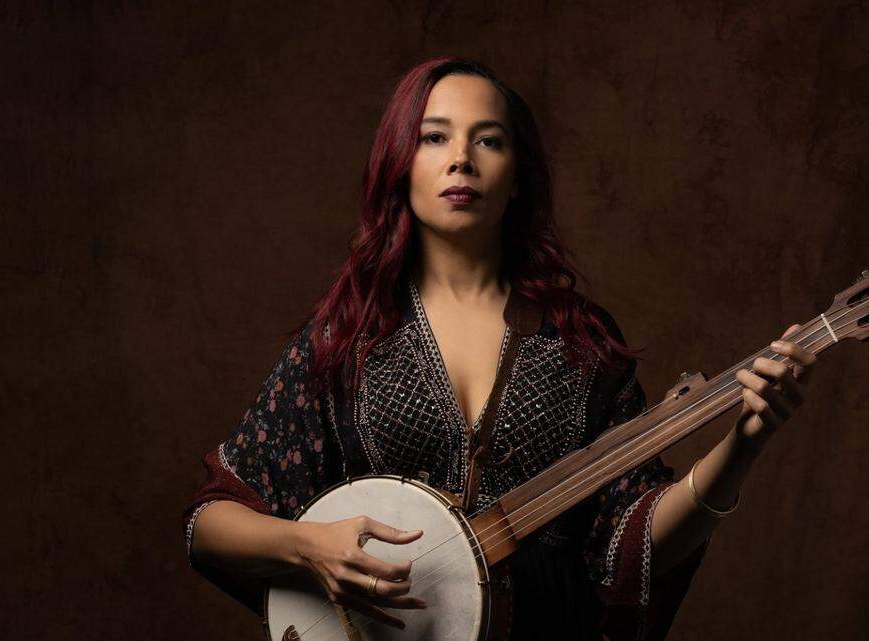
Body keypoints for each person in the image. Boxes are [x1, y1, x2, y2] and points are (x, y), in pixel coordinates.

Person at [181, 56, 817, 641]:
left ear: (517, 176)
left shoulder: (581, 342)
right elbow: (210, 524)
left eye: (488, 139)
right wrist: (308, 547)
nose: (462, 158)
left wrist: (745, 443)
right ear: (400, 166)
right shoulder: (345, 338)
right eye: (434, 137)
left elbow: (635, 546)